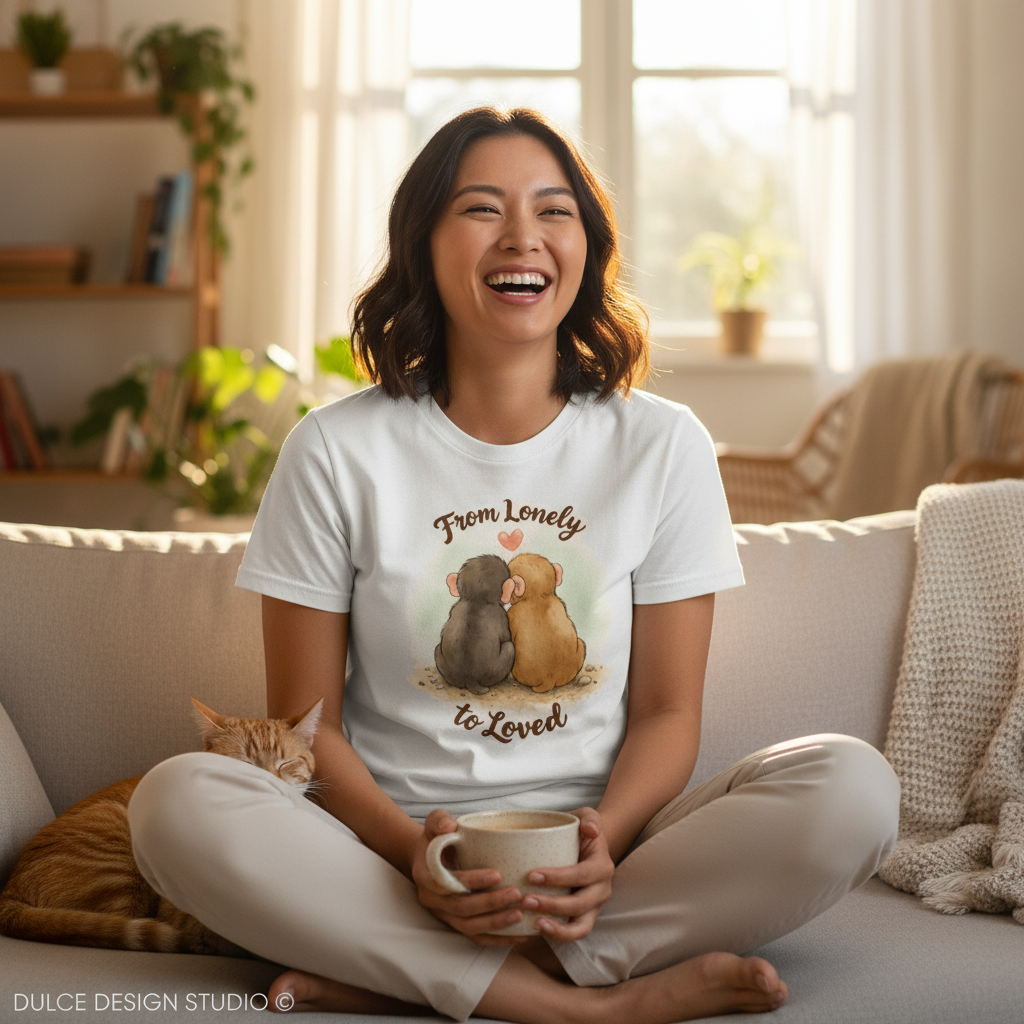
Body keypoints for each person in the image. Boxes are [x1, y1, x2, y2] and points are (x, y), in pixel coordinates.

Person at [127, 107, 900, 1023]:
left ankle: (411, 976)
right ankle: (585, 1002)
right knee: (178, 800)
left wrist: (599, 844)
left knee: (852, 786)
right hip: (389, 855)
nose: (522, 237)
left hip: (606, 854)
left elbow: (666, 712)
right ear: (424, 242)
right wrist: (415, 858)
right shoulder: (334, 449)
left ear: (588, 245)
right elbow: (309, 728)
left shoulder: (663, 445)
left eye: (554, 210)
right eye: (481, 209)